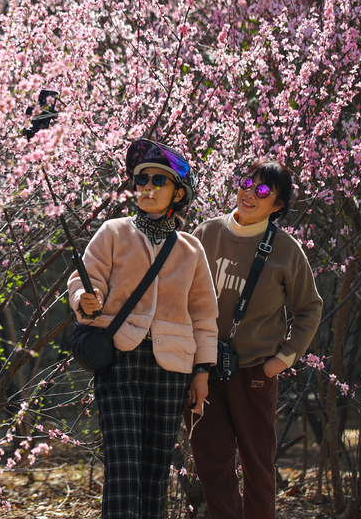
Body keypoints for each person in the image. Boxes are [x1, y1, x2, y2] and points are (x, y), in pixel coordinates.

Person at [68, 139, 218, 519]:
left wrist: (202, 372)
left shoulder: (191, 249)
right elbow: (84, 280)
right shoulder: (113, 232)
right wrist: (85, 298)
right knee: (123, 468)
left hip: (173, 367)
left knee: (154, 475)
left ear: (177, 192)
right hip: (119, 358)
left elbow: (204, 316)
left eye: (157, 180)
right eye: (140, 180)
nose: (147, 187)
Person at [185, 159, 323, 519]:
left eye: (262, 190)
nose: (250, 192)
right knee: (211, 463)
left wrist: (285, 358)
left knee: (257, 465)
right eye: (247, 183)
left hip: (254, 372)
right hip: (203, 369)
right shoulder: (206, 234)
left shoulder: (286, 250)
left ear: (277, 205)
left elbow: (309, 308)